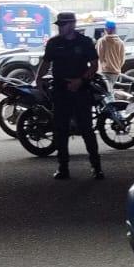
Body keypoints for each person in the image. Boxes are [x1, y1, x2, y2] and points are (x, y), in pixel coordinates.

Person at [37, 11, 102, 180]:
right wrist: (38, 79)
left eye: (63, 25)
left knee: (87, 130)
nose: (60, 28)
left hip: (81, 91)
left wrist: (80, 80)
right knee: (61, 130)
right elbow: (46, 62)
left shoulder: (85, 42)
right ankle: (63, 168)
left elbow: (94, 65)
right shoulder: (53, 43)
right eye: (59, 25)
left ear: (72, 25)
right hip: (60, 90)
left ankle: (97, 167)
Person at [96, 19, 125, 91]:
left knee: (106, 92)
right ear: (115, 29)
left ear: (106, 29)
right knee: (110, 89)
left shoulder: (102, 41)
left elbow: (99, 57)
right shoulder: (121, 42)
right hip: (115, 72)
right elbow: (122, 59)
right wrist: (117, 67)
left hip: (104, 71)